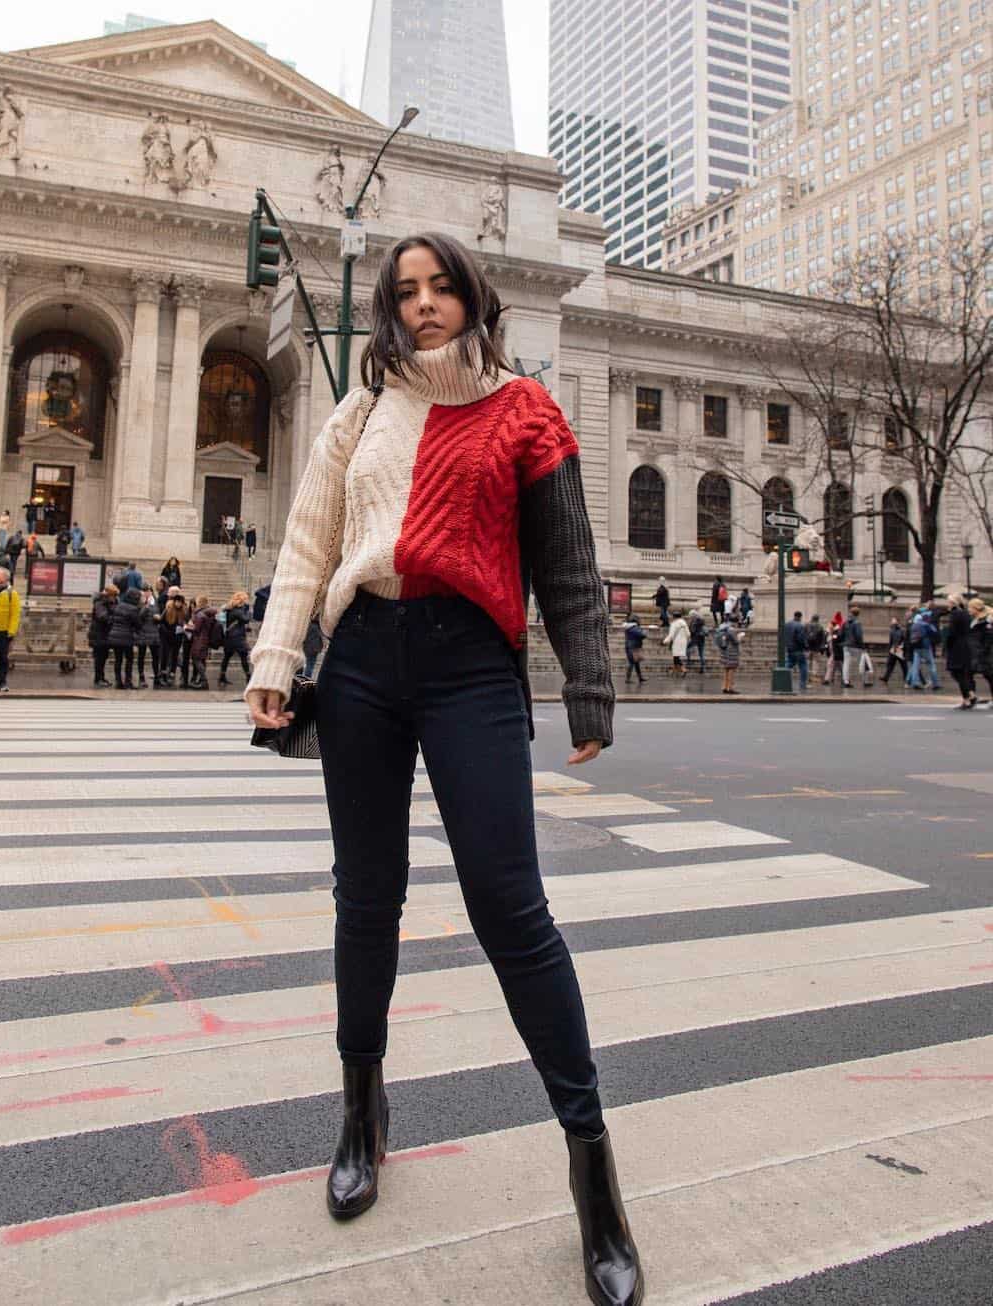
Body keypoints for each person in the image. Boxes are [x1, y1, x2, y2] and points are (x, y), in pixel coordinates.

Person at [244, 230, 641, 1305]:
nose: (423, 304)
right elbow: (307, 547)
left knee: (511, 906)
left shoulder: (526, 409)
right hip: (364, 657)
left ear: (473, 295)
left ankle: (591, 1168)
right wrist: (279, 659)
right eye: (405, 291)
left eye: (440, 287)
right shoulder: (359, 410)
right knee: (363, 900)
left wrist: (589, 688)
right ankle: (361, 1111)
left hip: (472, 665)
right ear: (389, 306)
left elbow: (567, 561)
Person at [107, 585, 145, 689]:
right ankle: (128, 682)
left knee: (118, 660)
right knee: (129, 659)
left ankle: (118, 681)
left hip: (115, 636)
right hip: (127, 637)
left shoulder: (119, 605)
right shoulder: (133, 609)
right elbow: (138, 624)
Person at [944, 593, 975, 709]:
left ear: (953, 603)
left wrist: (947, 646)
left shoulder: (955, 614)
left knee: (957, 672)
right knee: (961, 673)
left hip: (957, 647)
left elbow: (951, 633)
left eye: (948, 602)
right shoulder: (965, 613)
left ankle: (967, 698)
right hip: (965, 645)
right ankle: (970, 695)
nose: (947, 604)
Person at [0, 566, 20, 693]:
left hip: (4, 631)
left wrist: (12, 631)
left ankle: (2, 682)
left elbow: (15, 614)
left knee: (3, 658)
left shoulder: (12, 594)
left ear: (4, 577)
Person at [219, 590, 252, 686]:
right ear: (242, 600)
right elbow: (245, 619)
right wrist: (249, 612)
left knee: (227, 657)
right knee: (243, 657)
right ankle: (248, 677)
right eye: (246, 599)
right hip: (237, 638)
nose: (247, 601)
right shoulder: (237, 611)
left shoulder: (231, 609)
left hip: (230, 637)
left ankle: (222, 677)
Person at [158, 588, 190, 688]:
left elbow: (187, 621)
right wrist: (166, 632)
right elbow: (161, 622)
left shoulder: (184, 611)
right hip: (167, 636)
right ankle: (163, 674)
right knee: (165, 655)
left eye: (180, 602)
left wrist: (184, 627)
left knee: (175, 655)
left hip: (177, 636)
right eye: (177, 602)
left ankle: (172, 673)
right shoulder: (168, 609)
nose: (178, 604)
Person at [88, 583, 118, 687]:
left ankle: (102, 677)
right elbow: (102, 617)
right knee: (99, 658)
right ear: (109, 595)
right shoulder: (99, 603)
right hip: (98, 634)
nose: (115, 598)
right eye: (114, 595)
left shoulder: (109, 603)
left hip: (105, 635)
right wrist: (113, 618)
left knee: (104, 657)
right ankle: (98, 679)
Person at [186, 593, 217, 689]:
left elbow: (196, 629)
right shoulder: (209, 614)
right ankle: (202, 681)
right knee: (202, 661)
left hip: (199, 640)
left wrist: (186, 627)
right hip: (206, 639)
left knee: (196, 660)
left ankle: (204, 681)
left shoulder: (200, 614)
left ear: (199, 603)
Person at [906, 603, 941, 691]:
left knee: (915, 665)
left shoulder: (914, 622)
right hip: (925, 646)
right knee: (931, 664)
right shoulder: (926, 624)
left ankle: (915, 682)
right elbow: (934, 632)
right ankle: (936, 683)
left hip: (916, 646)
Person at [136, 585, 162, 688]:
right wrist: (145, 607)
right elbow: (139, 617)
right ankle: (141, 677)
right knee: (141, 656)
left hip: (154, 632)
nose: (147, 593)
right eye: (145, 591)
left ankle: (157, 677)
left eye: (149, 591)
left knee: (155, 656)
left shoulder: (155, 602)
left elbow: (158, 613)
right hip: (143, 632)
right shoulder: (140, 603)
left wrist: (158, 617)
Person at [967, 598, 993, 704]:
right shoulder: (974, 619)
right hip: (975, 652)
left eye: (970, 607)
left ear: (976, 608)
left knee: (990, 676)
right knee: (967, 673)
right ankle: (971, 696)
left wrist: (983, 651)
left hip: (984, 653)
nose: (968, 610)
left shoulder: (987, 620)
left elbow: (989, 637)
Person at [842, 604, 871, 688]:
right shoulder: (857, 623)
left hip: (846, 646)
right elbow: (859, 636)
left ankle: (846, 681)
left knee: (846, 664)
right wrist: (863, 646)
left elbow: (841, 634)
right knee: (863, 662)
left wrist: (844, 642)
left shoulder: (845, 623)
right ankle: (865, 681)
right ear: (858, 614)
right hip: (856, 646)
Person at [716, 609, 742, 693]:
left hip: (724, 650)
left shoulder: (723, 627)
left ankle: (725, 686)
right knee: (731, 669)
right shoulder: (731, 629)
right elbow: (735, 641)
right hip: (731, 652)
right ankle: (730, 687)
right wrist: (740, 637)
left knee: (726, 669)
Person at [784, 609, 809, 691]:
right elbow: (801, 639)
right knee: (803, 666)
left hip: (789, 648)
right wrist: (806, 647)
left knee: (788, 664)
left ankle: (783, 680)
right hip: (798, 649)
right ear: (800, 617)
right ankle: (803, 684)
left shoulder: (787, 625)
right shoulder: (800, 626)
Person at [880, 616, 907, 686]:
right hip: (893, 649)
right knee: (890, 664)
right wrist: (889, 649)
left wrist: (901, 647)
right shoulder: (892, 630)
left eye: (893, 620)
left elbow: (904, 640)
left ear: (897, 622)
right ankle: (885, 677)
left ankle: (906, 678)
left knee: (903, 665)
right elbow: (891, 641)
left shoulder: (901, 630)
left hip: (899, 650)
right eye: (892, 620)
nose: (892, 621)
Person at [664, 609, 689, 676]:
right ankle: (675, 670)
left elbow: (671, 635)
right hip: (683, 642)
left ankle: (683, 669)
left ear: (674, 617)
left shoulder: (674, 624)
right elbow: (688, 634)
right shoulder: (684, 623)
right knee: (676, 656)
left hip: (676, 642)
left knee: (676, 656)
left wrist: (665, 641)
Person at [624, 617, 647, 684]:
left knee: (636, 663)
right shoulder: (634, 628)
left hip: (632, 646)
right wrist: (644, 632)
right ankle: (627, 679)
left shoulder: (629, 628)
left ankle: (640, 678)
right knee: (632, 663)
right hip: (633, 647)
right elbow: (642, 635)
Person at [805, 613, 827, 682]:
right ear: (817, 619)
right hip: (816, 647)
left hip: (807, 647)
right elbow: (823, 638)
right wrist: (822, 646)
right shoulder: (820, 626)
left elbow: (803, 635)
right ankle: (814, 675)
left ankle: (807, 675)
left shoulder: (806, 625)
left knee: (808, 661)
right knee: (816, 661)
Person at [302, 615, 324, 680]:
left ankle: (301, 678)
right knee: (310, 665)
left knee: (306, 664)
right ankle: (306, 679)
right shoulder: (317, 627)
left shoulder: (308, 625)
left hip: (306, 647)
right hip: (314, 649)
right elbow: (319, 639)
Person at [686, 608, 707, 673]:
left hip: (695, 638)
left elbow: (692, 630)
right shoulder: (702, 620)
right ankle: (702, 667)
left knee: (687, 648)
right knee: (701, 653)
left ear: (692, 615)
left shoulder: (694, 621)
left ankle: (689, 661)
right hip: (702, 638)